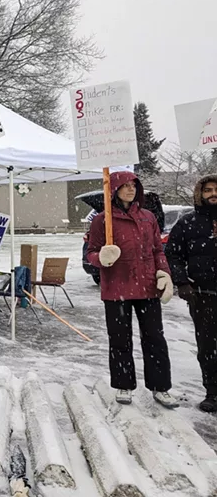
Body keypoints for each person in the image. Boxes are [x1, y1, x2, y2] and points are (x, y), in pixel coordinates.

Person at [86, 171, 177, 408]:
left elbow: (158, 250)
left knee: (155, 338)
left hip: (147, 286)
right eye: (124, 186)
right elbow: (91, 252)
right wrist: (101, 258)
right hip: (116, 287)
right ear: (113, 190)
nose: (130, 189)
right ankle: (123, 384)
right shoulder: (102, 220)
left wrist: (164, 272)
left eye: (134, 185)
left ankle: (160, 386)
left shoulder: (148, 217)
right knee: (120, 339)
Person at [165, 175, 217, 412]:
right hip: (203, 294)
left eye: (216, 190)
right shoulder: (187, 223)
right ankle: (213, 392)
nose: (212, 194)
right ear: (200, 193)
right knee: (208, 346)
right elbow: (173, 254)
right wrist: (182, 283)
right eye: (208, 190)